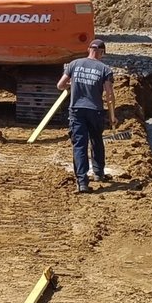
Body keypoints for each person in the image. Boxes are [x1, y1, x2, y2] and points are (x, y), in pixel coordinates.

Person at [57, 38, 116, 193]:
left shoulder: (74, 64)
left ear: (89, 49)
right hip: (95, 111)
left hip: (76, 110)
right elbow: (109, 95)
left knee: (79, 145)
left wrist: (73, 85)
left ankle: (82, 182)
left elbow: (60, 85)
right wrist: (112, 115)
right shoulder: (105, 69)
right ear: (102, 52)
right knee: (96, 140)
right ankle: (98, 173)